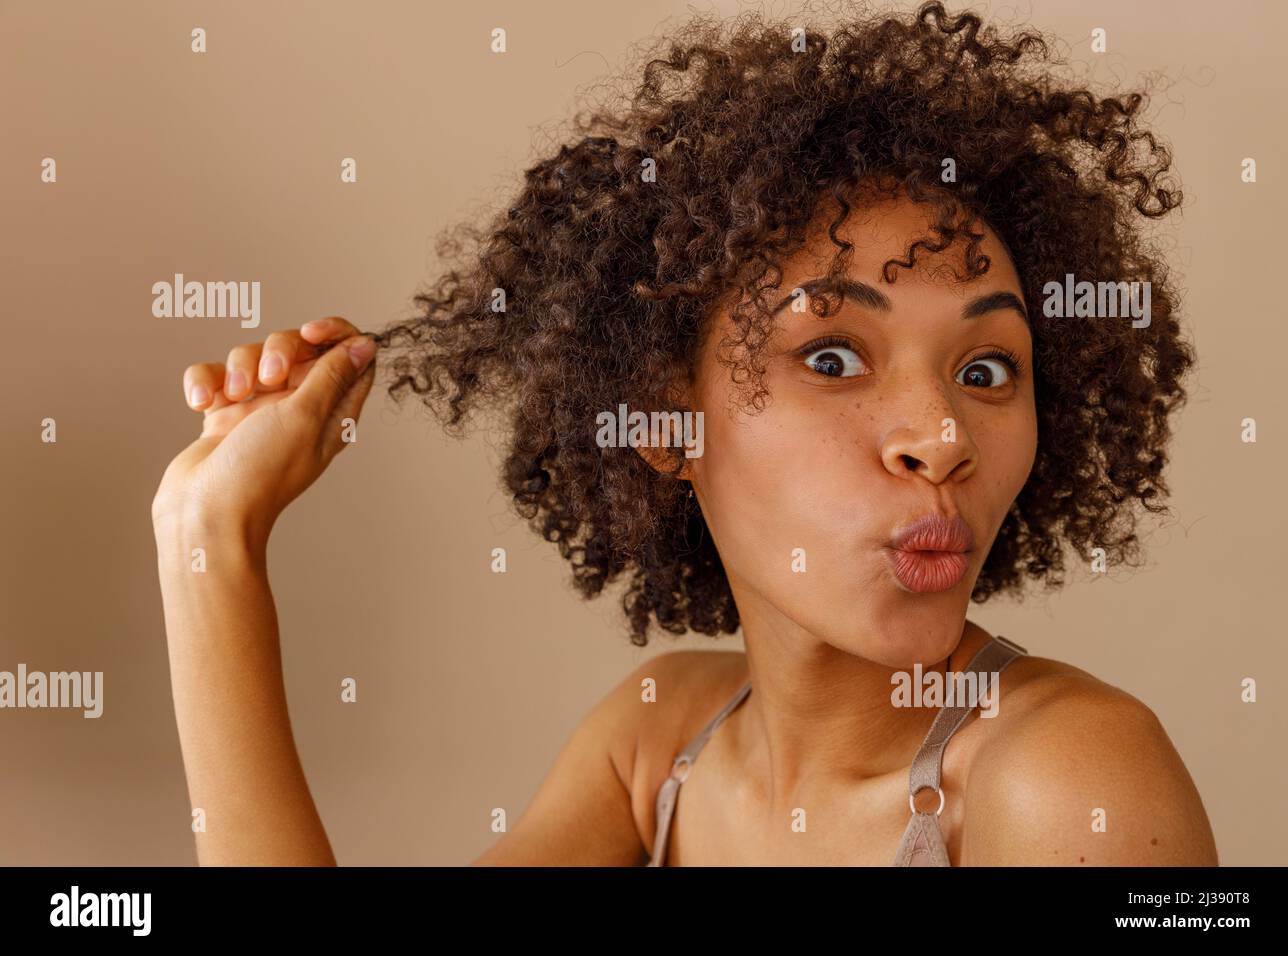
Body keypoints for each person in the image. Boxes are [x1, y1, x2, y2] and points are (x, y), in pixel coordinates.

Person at [151, 1, 1217, 865]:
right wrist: (208, 542)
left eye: (986, 370)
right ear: (664, 417)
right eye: (833, 357)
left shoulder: (1070, 776)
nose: (940, 439)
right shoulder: (656, 742)